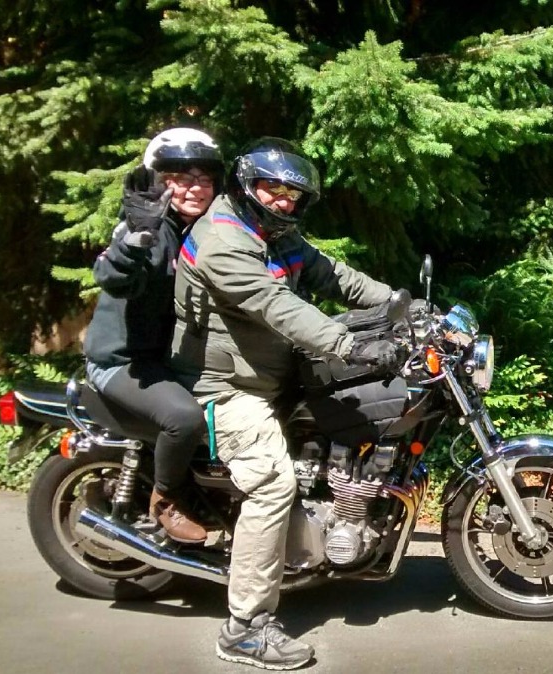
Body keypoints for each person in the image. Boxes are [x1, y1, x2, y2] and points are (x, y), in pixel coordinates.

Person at [170, 137, 397, 670]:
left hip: (271, 373)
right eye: (273, 189)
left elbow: (333, 275)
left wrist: (399, 304)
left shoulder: (276, 234)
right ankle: (244, 628)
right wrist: (349, 344)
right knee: (273, 482)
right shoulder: (222, 240)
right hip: (225, 386)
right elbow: (275, 304)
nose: (284, 201)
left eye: (293, 195)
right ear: (247, 185)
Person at [84, 127, 223, 544]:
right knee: (184, 418)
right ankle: (166, 500)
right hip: (121, 361)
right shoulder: (148, 227)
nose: (195, 188)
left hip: (166, 360)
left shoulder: (203, 232)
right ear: (159, 182)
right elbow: (112, 276)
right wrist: (136, 239)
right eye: (181, 177)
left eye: (204, 178)